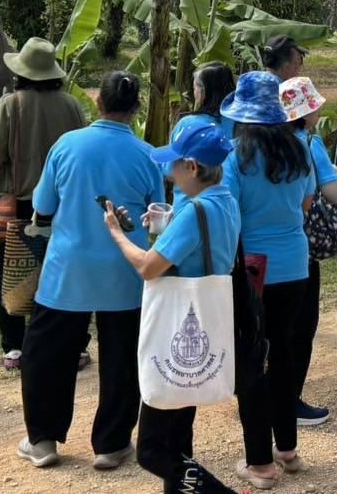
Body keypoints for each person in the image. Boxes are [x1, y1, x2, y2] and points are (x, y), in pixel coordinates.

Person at [17, 72, 166, 471]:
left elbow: (43, 205)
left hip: (68, 273)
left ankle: (43, 440)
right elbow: (157, 218)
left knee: (47, 355)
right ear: (136, 108)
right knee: (122, 358)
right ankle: (111, 444)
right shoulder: (147, 155)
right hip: (126, 273)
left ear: (98, 101)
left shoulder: (67, 145)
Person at [104, 114, 242, 494]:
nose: (170, 173)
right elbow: (200, 248)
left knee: (151, 450)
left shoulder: (195, 211)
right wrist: (166, 225)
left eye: (175, 164)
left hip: (175, 331)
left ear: (192, 167)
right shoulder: (225, 201)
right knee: (179, 438)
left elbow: (148, 267)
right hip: (207, 322)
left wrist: (116, 234)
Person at [222, 71, 317, 489]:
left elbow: (229, 212)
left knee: (251, 360)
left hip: (253, 269)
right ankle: (288, 449)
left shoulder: (236, 157)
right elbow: (307, 201)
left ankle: (259, 463)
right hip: (295, 263)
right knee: (283, 353)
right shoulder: (300, 149)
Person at [0, 36, 87, 370]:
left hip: (21, 204)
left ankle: (15, 348)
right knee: (64, 272)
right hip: (65, 204)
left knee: (13, 273)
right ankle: (73, 346)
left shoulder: (10, 105)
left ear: (21, 72)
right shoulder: (71, 106)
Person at [280, 76, 337, 428]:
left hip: (256, 254)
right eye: (314, 106)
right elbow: (331, 194)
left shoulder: (253, 143)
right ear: (305, 113)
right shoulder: (308, 145)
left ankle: (260, 396)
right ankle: (289, 401)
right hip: (298, 250)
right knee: (300, 326)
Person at [195, 62, 236, 142]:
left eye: (194, 88)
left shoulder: (192, 123)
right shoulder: (242, 119)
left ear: (204, 90)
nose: (194, 92)